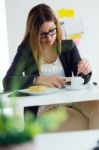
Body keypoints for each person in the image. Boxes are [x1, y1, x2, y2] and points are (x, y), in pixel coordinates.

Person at [3, 3, 99, 131]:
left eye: (52, 31)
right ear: (33, 33)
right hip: (45, 108)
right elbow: (8, 81)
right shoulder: (26, 51)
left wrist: (85, 71)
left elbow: (81, 78)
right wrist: (39, 80)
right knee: (85, 123)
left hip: (72, 100)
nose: (49, 38)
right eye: (42, 34)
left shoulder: (68, 46)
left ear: (56, 27)